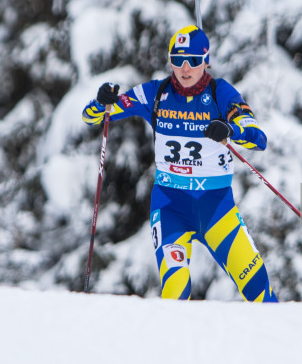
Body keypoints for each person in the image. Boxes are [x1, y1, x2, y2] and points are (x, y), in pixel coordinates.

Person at [82, 25, 278, 302]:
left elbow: (258, 138)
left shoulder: (221, 93)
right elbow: (94, 116)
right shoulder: (155, 93)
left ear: (206, 60)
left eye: (194, 61)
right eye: (178, 60)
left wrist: (232, 131)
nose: (185, 69)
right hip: (171, 208)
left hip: (217, 210)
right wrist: (101, 102)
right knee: (176, 293)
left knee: (260, 291)